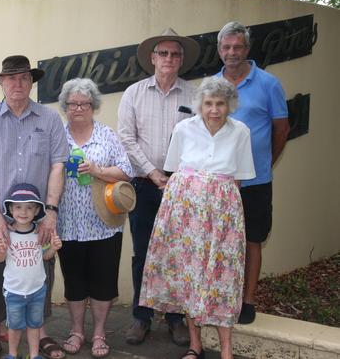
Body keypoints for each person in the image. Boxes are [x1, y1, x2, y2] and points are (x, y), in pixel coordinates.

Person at [139, 76, 255, 359]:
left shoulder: (241, 131)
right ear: (199, 105)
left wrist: (226, 215)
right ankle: (195, 345)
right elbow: (174, 170)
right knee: (191, 275)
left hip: (223, 212)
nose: (214, 109)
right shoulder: (184, 128)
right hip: (185, 211)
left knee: (223, 278)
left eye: (220, 104)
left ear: (229, 106)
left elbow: (237, 179)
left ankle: (226, 350)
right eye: (208, 103)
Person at [0, 55, 69, 359]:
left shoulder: (49, 119)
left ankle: (41, 333)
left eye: (24, 77)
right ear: (1, 82)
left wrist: (50, 213)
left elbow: (57, 166)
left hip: (38, 221)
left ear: (32, 81)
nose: (18, 83)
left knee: (40, 272)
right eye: (11, 78)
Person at [117, 28, 200, 346]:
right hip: (143, 183)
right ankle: (142, 317)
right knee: (143, 253)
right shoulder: (133, 93)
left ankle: (176, 318)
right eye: (163, 53)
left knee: (178, 253)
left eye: (175, 54)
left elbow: (201, 137)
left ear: (181, 60)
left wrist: (177, 176)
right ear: (152, 58)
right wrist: (152, 173)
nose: (169, 58)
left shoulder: (193, 95)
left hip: (182, 184)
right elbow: (126, 138)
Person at [216, 21, 290, 325]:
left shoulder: (269, 83)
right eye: (226, 47)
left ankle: (247, 302)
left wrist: (264, 165)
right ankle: (220, 296)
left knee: (252, 240)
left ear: (247, 49)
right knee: (219, 241)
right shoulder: (212, 84)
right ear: (220, 49)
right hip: (219, 182)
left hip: (255, 182)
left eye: (238, 47)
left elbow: (281, 129)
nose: (232, 52)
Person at [56, 78, 133, 358]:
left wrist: (98, 170)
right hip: (67, 224)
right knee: (74, 282)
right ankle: (77, 331)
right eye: (72, 103)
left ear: (93, 106)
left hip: (103, 224)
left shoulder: (107, 135)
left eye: (84, 103)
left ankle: (99, 333)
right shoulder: (57, 136)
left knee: (102, 282)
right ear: (65, 107)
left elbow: (126, 171)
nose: (78, 108)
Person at [0, 183, 63, 359]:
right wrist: (0, 250)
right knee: (14, 326)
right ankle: (12, 354)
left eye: (29, 207)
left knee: (34, 325)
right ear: (10, 208)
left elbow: (45, 257)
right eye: (18, 207)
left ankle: (33, 355)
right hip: (14, 291)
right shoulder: (5, 233)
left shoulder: (40, 233)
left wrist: (53, 248)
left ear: (36, 210)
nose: (23, 212)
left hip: (37, 290)